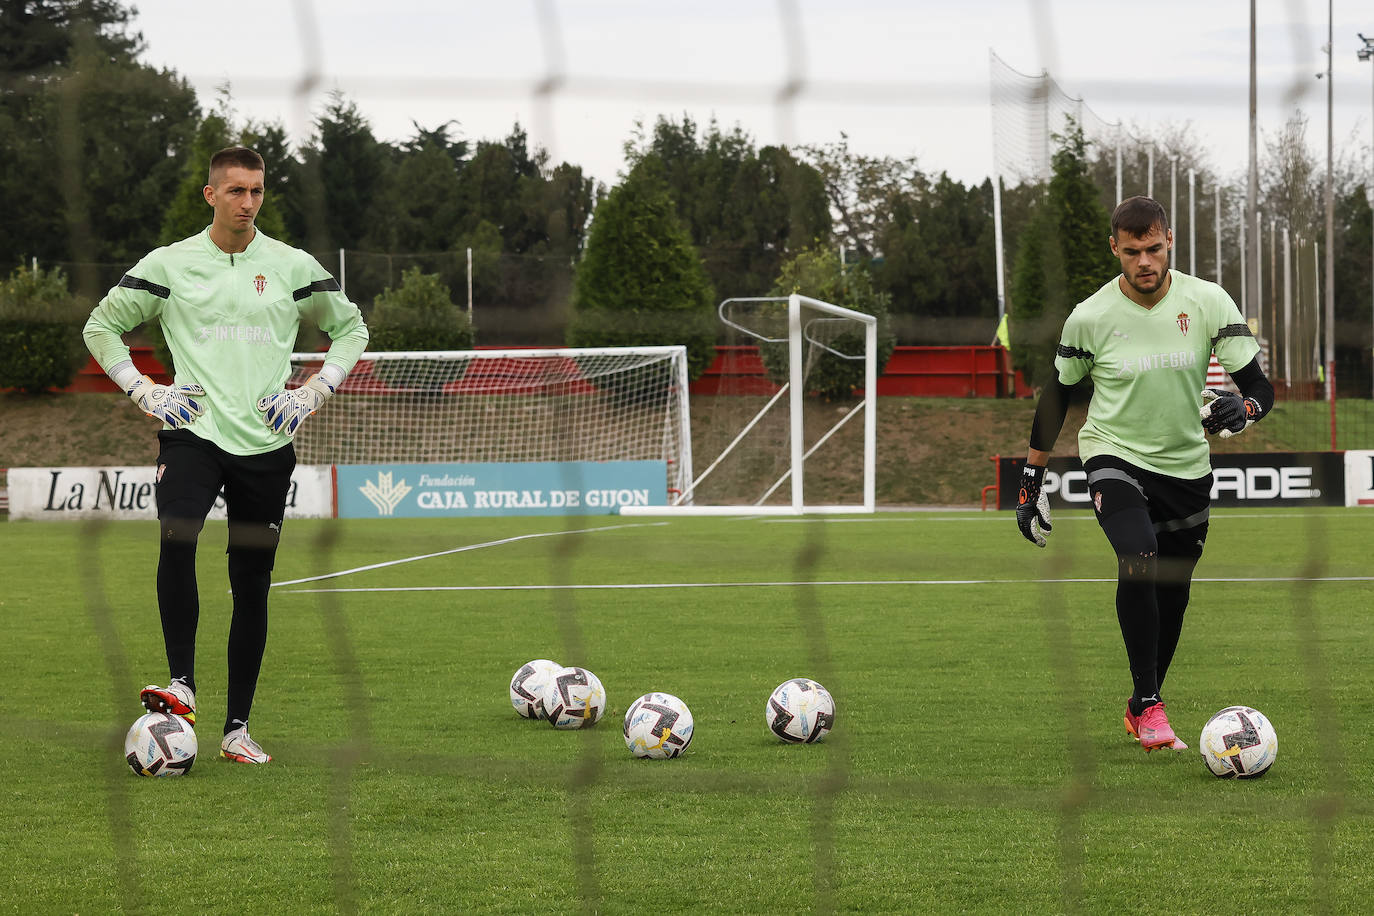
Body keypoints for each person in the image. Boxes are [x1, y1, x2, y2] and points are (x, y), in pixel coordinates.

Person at [83, 146, 369, 763]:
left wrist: (316, 389)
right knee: (177, 533)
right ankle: (180, 682)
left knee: (252, 585)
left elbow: (352, 329)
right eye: (235, 191)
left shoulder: (292, 266)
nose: (247, 202)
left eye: (257, 191)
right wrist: (145, 389)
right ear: (210, 194)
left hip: (267, 441)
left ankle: (237, 729)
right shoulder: (169, 264)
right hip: (194, 429)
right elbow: (100, 326)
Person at [1015, 195, 1274, 753]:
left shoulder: (1206, 302)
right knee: (1139, 555)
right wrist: (1030, 483)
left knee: (1173, 592)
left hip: (1185, 467)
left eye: (1153, 249)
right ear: (1115, 249)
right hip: (1113, 455)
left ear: (1170, 241)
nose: (1145, 262)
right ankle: (1152, 704)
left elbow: (1259, 387)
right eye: (1132, 252)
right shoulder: (1090, 317)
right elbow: (1057, 398)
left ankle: (1139, 705)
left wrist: (1243, 410)